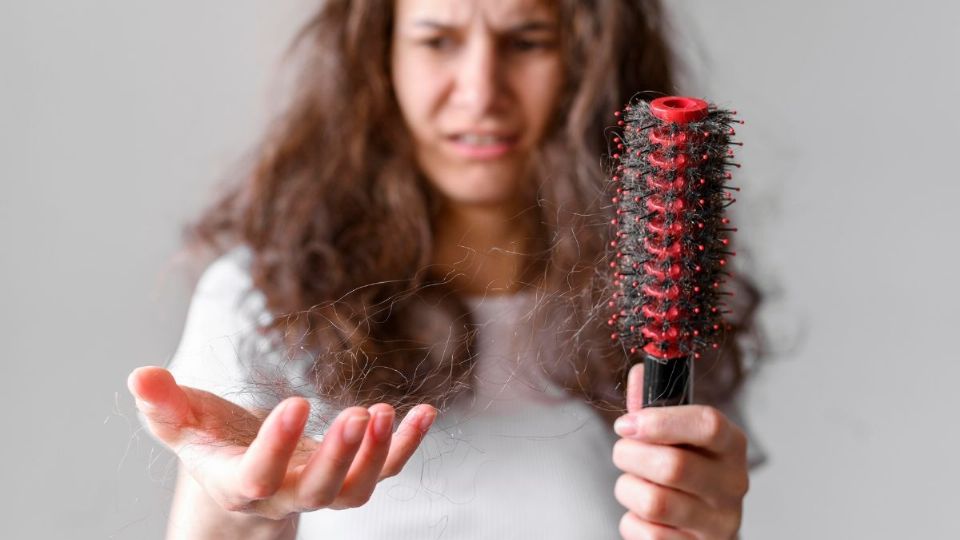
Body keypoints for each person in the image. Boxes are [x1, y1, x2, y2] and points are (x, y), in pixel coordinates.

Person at [128, 1, 761, 538]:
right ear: (381, 58)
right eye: (438, 41)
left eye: (527, 40)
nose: (481, 91)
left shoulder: (663, 303)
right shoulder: (261, 297)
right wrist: (240, 503)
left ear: (589, 58)